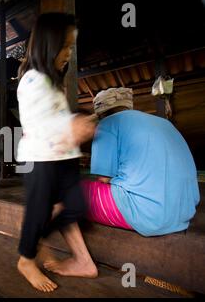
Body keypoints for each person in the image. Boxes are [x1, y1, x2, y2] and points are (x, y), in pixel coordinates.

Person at [16, 13, 98, 292]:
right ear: (48, 45)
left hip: (65, 158)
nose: (69, 53)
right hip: (40, 159)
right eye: (65, 46)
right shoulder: (32, 80)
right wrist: (72, 125)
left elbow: (60, 118)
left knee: (75, 207)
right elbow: (38, 122)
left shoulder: (54, 83)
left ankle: (36, 239)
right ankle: (26, 258)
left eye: (72, 47)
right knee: (39, 210)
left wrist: (79, 123)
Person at [83, 87, 200, 236]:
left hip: (149, 216)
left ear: (100, 113)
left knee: (73, 189)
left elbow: (104, 179)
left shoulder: (107, 123)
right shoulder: (165, 123)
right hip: (184, 212)